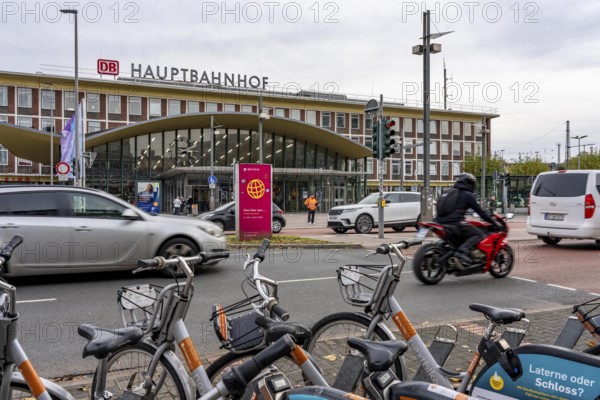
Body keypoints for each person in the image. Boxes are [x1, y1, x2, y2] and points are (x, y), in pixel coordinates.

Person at [434, 173, 501, 266]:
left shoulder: (449, 191)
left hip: (439, 223)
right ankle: (461, 252)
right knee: (478, 234)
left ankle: (452, 254)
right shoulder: (467, 194)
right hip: (455, 223)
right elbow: (480, 211)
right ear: (469, 184)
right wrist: (494, 223)